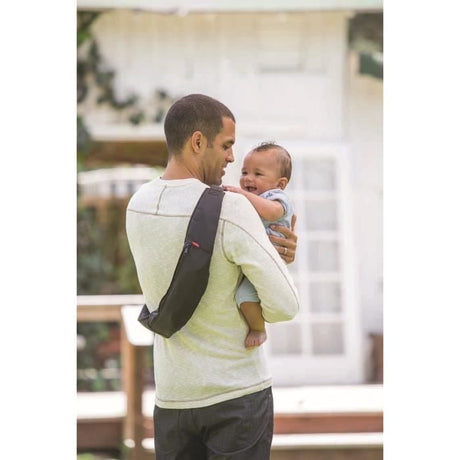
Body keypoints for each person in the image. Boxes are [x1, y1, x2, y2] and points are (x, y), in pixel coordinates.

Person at [126, 94, 299, 460]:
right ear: (197, 142)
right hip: (236, 396)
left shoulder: (137, 205)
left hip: (172, 399)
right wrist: (280, 258)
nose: (232, 158)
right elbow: (285, 306)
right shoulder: (232, 207)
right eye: (226, 145)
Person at [224, 142, 294, 349]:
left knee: (245, 296)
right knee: (245, 295)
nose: (248, 178)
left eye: (258, 174)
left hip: (270, 261)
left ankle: (258, 328)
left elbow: (272, 212)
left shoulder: (276, 198)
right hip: (257, 258)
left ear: (280, 184)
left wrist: (242, 195)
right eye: (245, 172)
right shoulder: (256, 199)